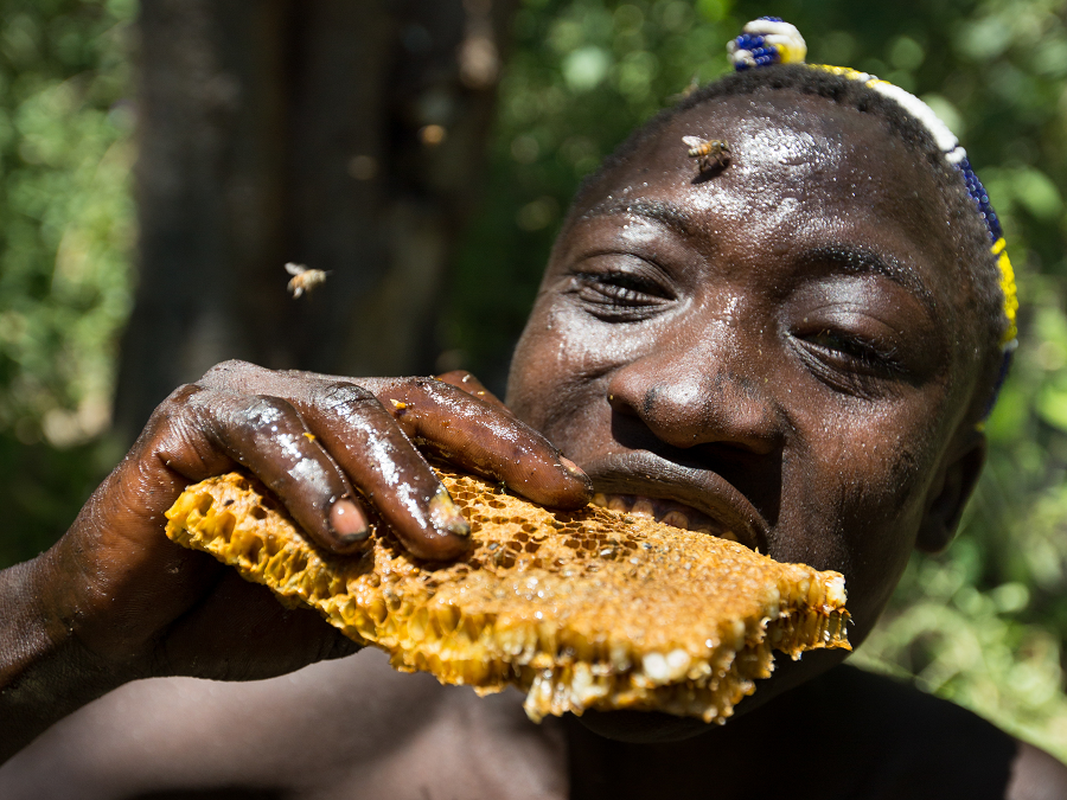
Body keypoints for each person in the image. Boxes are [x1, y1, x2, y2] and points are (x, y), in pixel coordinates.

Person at [2, 18, 1066, 799]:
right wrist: (56, 629)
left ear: (945, 495)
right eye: (624, 287)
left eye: (843, 341)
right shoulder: (208, 731)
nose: (684, 396)